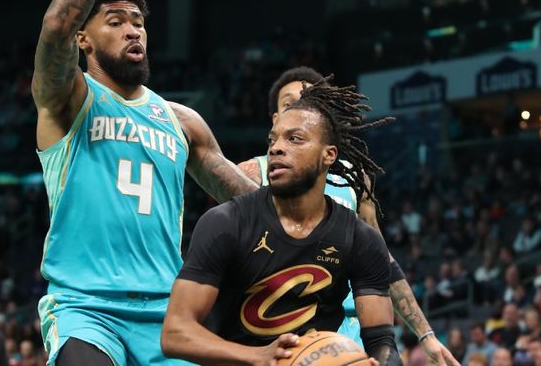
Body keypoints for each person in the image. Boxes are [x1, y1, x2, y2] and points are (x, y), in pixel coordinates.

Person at [32, 0, 257, 366]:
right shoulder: (70, 102)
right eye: (116, 21)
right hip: (87, 310)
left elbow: (248, 203)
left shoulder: (182, 122)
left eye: (139, 21)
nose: (134, 29)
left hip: (166, 313)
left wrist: (311, 204)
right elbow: (53, 30)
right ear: (85, 39)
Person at [161, 80, 401, 365]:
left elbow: (381, 342)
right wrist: (258, 357)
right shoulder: (225, 222)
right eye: (273, 140)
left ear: (329, 155)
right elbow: (175, 333)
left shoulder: (359, 238)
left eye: (295, 139)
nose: (277, 148)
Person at [238, 66, 457, 365]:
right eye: (290, 104)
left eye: (310, 101)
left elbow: (381, 260)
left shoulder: (355, 179)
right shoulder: (251, 173)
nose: (301, 109)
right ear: (276, 121)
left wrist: (425, 335)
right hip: (283, 330)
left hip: (355, 331)